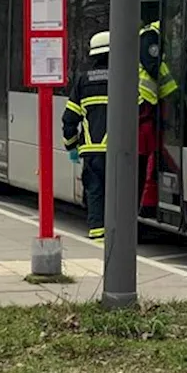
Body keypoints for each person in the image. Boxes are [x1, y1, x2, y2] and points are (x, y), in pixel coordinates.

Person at [62, 31, 111, 244]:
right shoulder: (126, 77)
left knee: (95, 191)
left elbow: (69, 119)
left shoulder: (83, 81)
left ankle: (97, 233)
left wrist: (71, 146)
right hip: (119, 151)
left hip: (92, 151)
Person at [137, 19, 178, 210]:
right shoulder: (150, 37)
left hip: (152, 106)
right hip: (145, 104)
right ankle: (144, 201)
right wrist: (176, 91)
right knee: (146, 154)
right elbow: (154, 67)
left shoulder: (158, 37)